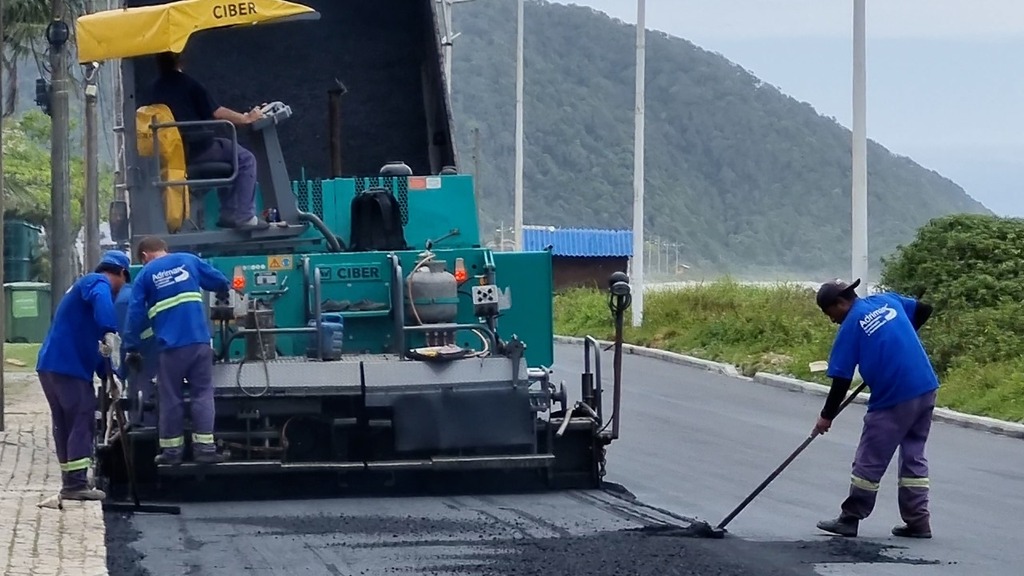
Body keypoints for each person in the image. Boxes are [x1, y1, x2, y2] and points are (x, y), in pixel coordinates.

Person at [813, 278, 938, 539]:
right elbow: (924, 309)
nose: (831, 320)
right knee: (914, 455)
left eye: (829, 313)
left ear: (840, 303)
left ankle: (850, 518)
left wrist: (826, 417)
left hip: (895, 396)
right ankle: (918, 522)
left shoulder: (851, 326)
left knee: (870, 457)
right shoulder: (887, 300)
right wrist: (894, 343)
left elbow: (841, 379)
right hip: (925, 387)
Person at [123, 236, 234, 465]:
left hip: (171, 348)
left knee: (170, 397)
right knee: (202, 394)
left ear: (144, 256)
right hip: (200, 344)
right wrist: (223, 290)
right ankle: (204, 449)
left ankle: (172, 453)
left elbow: (135, 314)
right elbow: (218, 280)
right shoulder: (188, 260)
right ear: (165, 249)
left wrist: (132, 347)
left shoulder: (145, 275)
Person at [36, 250, 131, 500]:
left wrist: (111, 377)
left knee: (65, 423)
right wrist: (110, 330)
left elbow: (96, 347)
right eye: (123, 281)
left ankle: (71, 480)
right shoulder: (96, 282)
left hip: (51, 366)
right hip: (68, 368)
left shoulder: (84, 295)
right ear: (121, 273)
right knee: (81, 417)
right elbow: (103, 319)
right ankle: (76, 485)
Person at [144, 50, 268, 230]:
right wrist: (247, 118)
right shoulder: (187, 84)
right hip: (197, 149)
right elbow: (216, 112)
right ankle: (244, 217)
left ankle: (229, 214)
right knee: (245, 159)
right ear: (181, 60)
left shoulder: (152, 89)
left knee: (229, 152)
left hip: (172, 154)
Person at [113, 271, 160, 428]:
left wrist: (120, 372)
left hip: (144, 355)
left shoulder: (122, 302)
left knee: (142, 398)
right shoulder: (131, 293)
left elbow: (123, 340)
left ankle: (143, 436)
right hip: (155, 349)